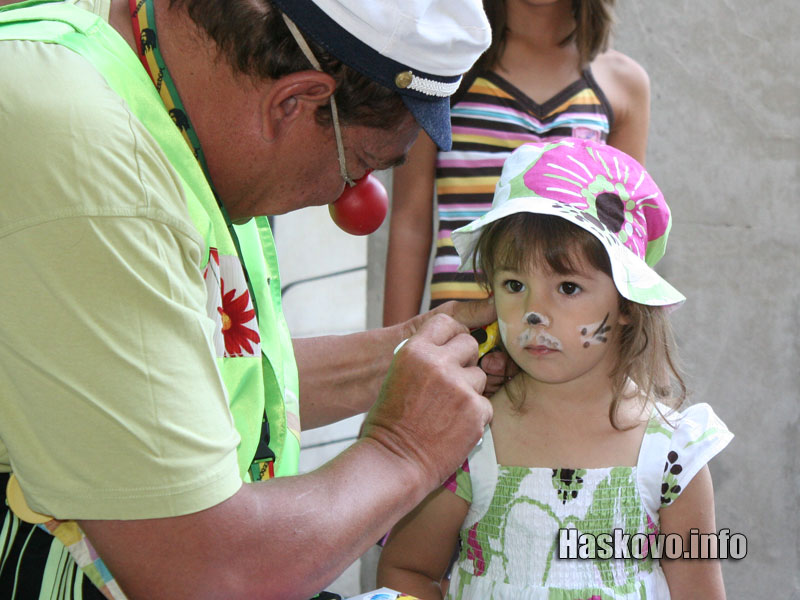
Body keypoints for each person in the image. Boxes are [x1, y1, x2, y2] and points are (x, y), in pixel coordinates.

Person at [0, 0, 499, 598]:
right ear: (294, 102)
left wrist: (407, 352)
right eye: (358, 166)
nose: (350, 200)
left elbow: (184, 386)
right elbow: (200, 573)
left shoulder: (161, 85)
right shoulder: (93, 153)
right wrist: (405, 450)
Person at [377, 139, 733, 599]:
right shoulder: (466, 434)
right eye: (513, 284)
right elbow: (406, 571)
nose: (533, 312)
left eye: (567, 286)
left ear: (627, 303)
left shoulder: (672, 454)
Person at [383, 0, 651, 327]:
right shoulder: (443, 66)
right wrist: (392, 353)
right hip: (463, 342)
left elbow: (624, 240)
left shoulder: (622, 83)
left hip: (570, 346)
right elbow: (410, 222)